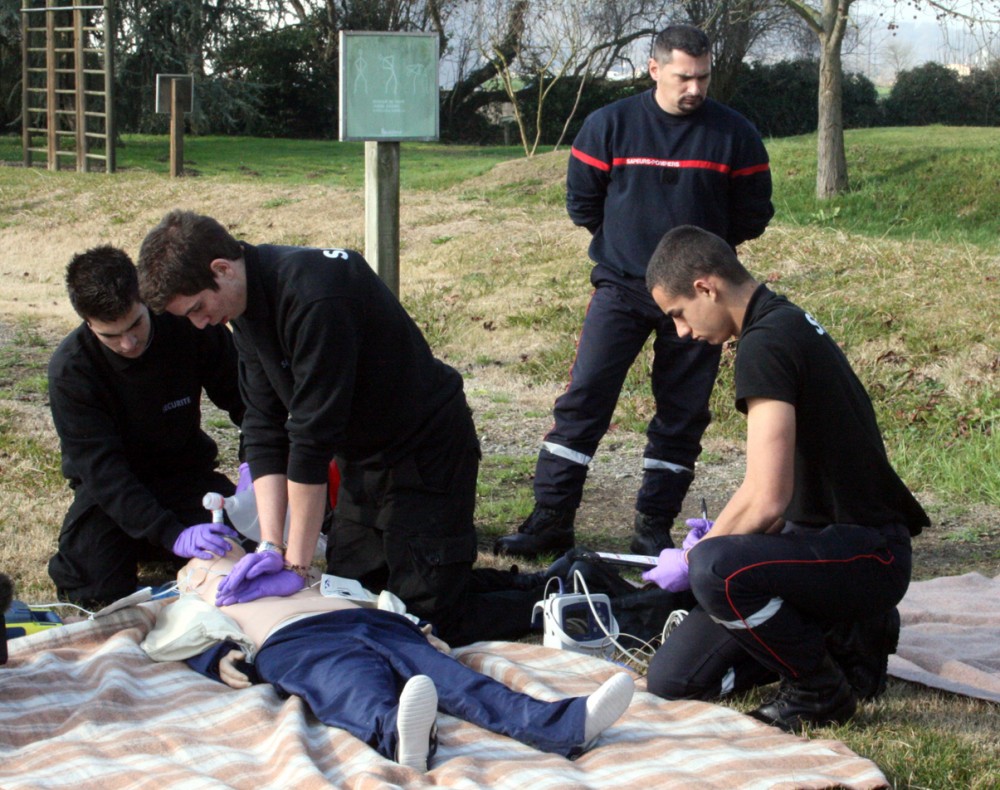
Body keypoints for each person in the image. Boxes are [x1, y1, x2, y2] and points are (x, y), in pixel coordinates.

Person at [136, 211, 546, 647]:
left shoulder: (314, 296)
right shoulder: (244, 307)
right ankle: (515, 583)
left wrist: (295, 566)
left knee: (424, 620)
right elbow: (263, 429)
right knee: (356, 595)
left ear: (222, 269)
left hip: (425, 448)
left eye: (199, 308)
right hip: (363, 457)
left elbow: (311, 441)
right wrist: (271, 547)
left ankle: (570, 595)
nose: (200, 323)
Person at [494, 24, 774, 560]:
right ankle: (550, 519)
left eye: (704, 77)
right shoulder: (609, 125)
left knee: (683, 413)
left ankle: (652, 527)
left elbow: (753, 214)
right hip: (621, 287)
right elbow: (583, 205)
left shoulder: (735, 135)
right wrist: (631, 247)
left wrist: (700, 261)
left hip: (700, 296)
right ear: (654, 70)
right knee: (584, 400)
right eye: (683, 77)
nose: (695, 88)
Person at [639, 225, 928, 730]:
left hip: (867, 551)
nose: (682, 332)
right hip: (819, 544)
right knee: (674, 680)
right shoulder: (781, 321)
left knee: (716, 571)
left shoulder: (766, 342)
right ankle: (843, 640)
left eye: (678, 314)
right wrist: (713, 541)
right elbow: (768, 493)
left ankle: (819, 691)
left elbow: (767, 497)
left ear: (706, 287)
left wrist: (694, 559)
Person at [142, 541, 636, 772]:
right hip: (295, 644)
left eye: (229, 548)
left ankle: (567, 724)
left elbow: (366, 595)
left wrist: (416, 625)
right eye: (204, 563)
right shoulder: (194, 599)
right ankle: (400, 735)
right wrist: (217, 659)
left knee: (459, 681)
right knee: (349, 689)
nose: (221, 558)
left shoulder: (293, 571)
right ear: (186, 582)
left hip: (373, 623)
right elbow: (177, 639)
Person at [46, 246, 246, 608]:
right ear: (88, 324)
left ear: (145, 299)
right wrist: (171, 534)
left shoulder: (188, 322)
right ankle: (150, 544)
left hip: (185, 477)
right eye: (111, 335)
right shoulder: (71, 371)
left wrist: (255, 465)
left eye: (136, 323)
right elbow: (103, 474)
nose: (128, 343)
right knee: (94, 591)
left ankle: (164, 543)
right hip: (111, 495)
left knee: (240, 548)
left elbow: (247, 400)